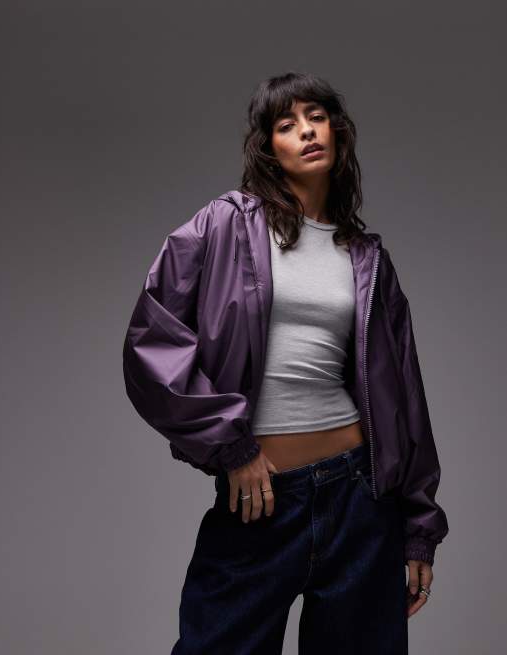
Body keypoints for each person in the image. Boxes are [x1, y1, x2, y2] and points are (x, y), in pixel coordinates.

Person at [122, 71, 449, 654]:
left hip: (361, 499)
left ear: (338, 133)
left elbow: (405, 396)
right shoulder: (225, 225)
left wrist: (419, 527)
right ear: (268, 148)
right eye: (286, 123)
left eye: (317, 118)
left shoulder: (366, 258)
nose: (306, 131)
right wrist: (232, 447)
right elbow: (152, 344)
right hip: (261, 499)